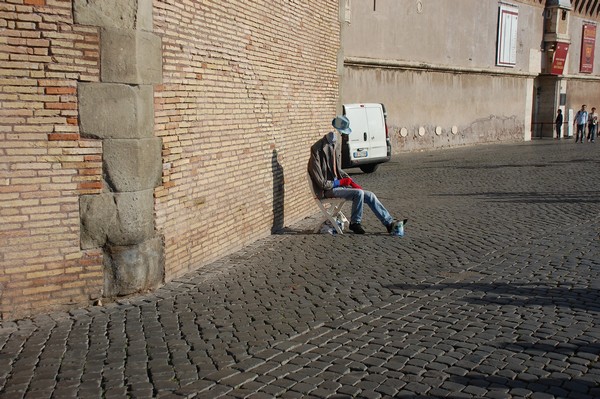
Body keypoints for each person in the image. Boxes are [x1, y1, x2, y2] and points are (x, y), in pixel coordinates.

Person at [308, 115, 406, 235]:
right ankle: (355, 223)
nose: (344, 136)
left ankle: (389, 223)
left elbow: (337, 170)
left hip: (339, 186)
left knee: (370, 195)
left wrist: (350, 181)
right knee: (358, 193)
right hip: (328, 189)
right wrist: (340, 182)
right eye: (343, 133)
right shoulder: (317, 150)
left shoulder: (335, 145)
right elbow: (321, 183)